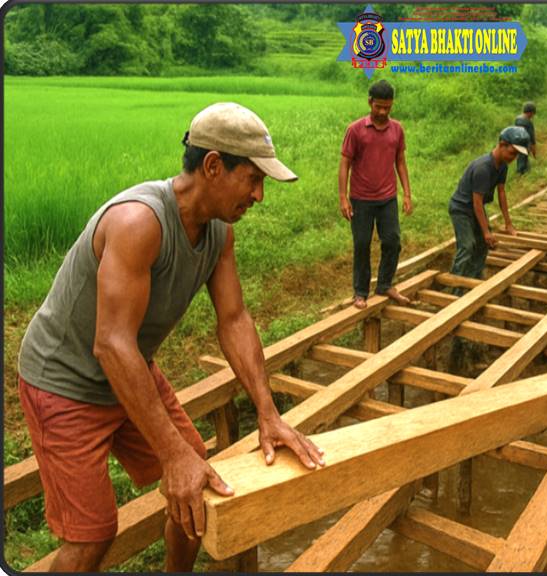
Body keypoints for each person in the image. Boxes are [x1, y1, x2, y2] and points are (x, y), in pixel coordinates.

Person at [16, 103, 326, 572]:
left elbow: (234, 319)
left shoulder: (220, 232)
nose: (260, 195)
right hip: (65, 382)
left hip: (129, 365)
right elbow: (110, 344)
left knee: (195, 486)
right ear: (214, 166)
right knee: (91, 535)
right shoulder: (138, 223)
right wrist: (173, 453)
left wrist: (269, 414)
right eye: (254, 179)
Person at [339, 79, 413, 309]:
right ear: (369, 102)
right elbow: (345, 164)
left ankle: (385, 284)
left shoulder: (397, 129)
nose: (382, 111)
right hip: (361, 198)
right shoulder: (356, 130)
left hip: (387, 198)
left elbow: (400, 162)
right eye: (378, 106)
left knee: (392, 241)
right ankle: (360, 292)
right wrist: (343, 197)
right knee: (362, 244)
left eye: (387, 107)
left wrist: (407, 194)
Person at [448, 126, 528, 280]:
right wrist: (485, 232)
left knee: (483, 245)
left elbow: (502, 193)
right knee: (467, 246)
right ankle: (455, 285)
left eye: (517, 155)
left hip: (474, 208)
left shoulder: (502, 166)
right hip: (461, 209)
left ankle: (474, 281)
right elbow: (477, 202)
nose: (514, 158)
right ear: (502, 144)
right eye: (512, 153)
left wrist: (508, 223)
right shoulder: (483, 168)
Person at [514, 101, 537, 175]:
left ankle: (522, 173)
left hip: (516, 143)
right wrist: (534, 152)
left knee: (520, 159)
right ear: (530, 112)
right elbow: (532, 138)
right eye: (533, 113)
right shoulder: (528, 122)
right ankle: (520, 174)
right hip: (525, 145)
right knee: (523, 161)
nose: (533, 115)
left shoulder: (517, 119)